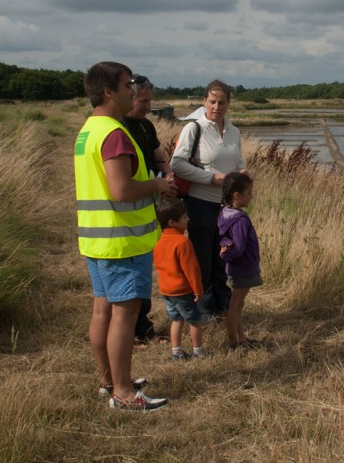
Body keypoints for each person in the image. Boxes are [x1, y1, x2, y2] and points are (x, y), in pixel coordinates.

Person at [75, 61, 175, 411]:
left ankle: (109, 381)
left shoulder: (89, 130)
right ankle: (124, 393)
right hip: (122, 240)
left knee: (103, 310)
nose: (133, 91)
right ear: (108, 91)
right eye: (127, 84)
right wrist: (158, 184)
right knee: (124, 313)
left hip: (97, 239)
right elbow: (121, 189)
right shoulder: (114, 133)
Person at [170, 80, 244, 318]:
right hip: (200, 203)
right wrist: (212, 178)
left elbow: (238, 162)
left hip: (227, 207)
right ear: (204, 102)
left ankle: (222, 307)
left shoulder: (234, 131)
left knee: (223, 258)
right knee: (203, 260)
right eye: (212, 101)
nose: (216, 107)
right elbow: (177, 164)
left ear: (228, 104)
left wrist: (241, 175)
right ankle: (203, 311)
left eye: (222, 102)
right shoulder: (195, 128)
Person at [121, 74, 171, 344]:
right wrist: (157, 184)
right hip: (127, 212)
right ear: (129, 97)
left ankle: (141, 326)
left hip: (146, 210)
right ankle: (137, 330)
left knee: (142, 272)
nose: (148, 106)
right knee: (132, 276)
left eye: (150, 100)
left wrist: (167, 173)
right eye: (143, 101)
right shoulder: (118, 128)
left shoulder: (146, 126)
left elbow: (158, 156)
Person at [153, 197, 211, 360]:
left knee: (176, 320)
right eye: (184, 217)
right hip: (182, 291)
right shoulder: (183, 243)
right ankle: (198, 352)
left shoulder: (159, 242)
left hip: (166, 290)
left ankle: (176, 352)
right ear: (172, 222)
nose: (188, 219)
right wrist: (198, 289)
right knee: (195, 321)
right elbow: (191, 269)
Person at [218, 172, 263, 350]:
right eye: (249, 193)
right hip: (243, 267)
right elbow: (238, 246)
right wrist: (227, 255)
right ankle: (234, 342)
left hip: (235, 267)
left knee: (238, 304)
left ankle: (241, 338)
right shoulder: (240, 220)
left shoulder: (225, 213)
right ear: (237, 195)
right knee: (235, 305)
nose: (251, 196)